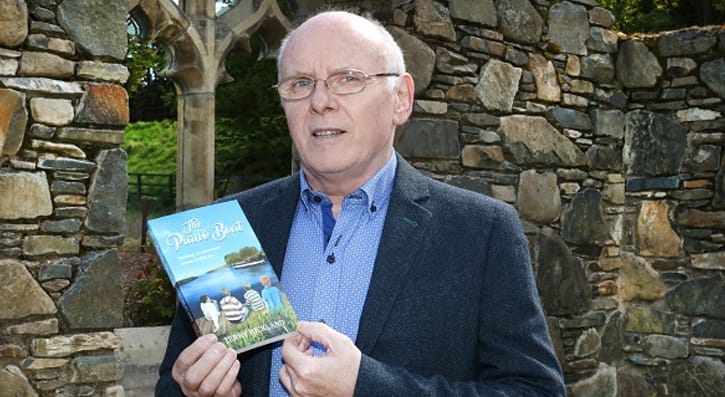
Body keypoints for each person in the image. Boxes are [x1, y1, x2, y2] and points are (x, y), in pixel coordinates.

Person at [156, 9, 565, 397]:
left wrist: (365, 386)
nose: (320, 101)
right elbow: (173, 385)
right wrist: (193, 389)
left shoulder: (481, 231)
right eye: (300, 84)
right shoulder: (229, 228)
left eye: (347, 78)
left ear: (401, 99)